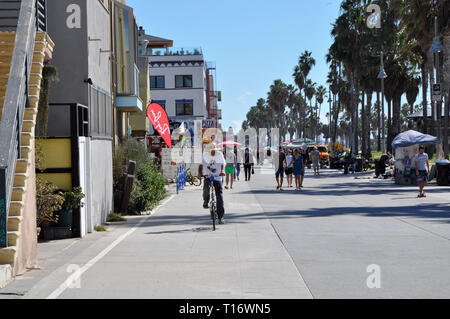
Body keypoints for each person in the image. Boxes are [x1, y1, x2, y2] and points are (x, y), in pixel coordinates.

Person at [198, 144, 226, 224]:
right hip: (208, 176)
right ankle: (206, 201)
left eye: (214, 150)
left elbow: (223, 164)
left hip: (217, 177)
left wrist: (223, 171)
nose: (212, 152)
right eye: (211, 150)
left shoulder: (219, 154)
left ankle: (221, 217)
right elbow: (201, 165)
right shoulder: (205, 155)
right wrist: (199, 173)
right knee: (206, 188)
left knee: (219, 196)